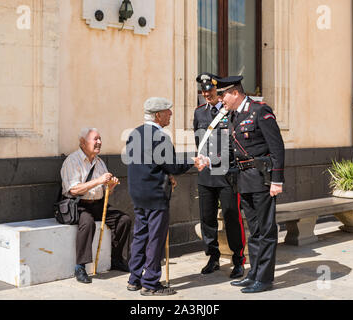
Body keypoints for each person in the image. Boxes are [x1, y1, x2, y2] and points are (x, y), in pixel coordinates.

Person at [125, 97, 207, 296]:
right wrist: (192, 161)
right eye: (168, 111)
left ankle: (134, 279)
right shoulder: (160, 136)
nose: (171, 114)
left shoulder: (134, 133)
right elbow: (172, 165)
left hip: (138, 193)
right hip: (155, 194)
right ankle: (151, 283)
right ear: (158, 115)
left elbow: (146, 163)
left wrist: (167, 174)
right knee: (155, 238)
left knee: (140, 236)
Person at [216, 76, 285, 293]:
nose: (221, 100)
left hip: (262, 179)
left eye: (223, 95)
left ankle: (264, 279)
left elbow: (277, 148)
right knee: (254, 230)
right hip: (244, 180)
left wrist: (276, 180)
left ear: (235, 93)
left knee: (266, 230)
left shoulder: (260, 111)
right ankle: (254, 273)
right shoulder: (235, 115)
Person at [61, 128, 132, 284]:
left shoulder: (99, 162)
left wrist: (110, 186)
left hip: (98, 204)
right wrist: (99, 180)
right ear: (82, 142)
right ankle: (80, 266)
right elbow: (73, 189)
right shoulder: (72, 161)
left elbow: (105, 190)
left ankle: (116, 258)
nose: (99, 142)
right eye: (95, 139)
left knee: (124, 219)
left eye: (100, 139)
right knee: (87, 223)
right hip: (78, 205)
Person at [194, 72, 246, 278]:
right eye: (204, 91)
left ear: (219, 91)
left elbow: (236, 143)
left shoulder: (230, 112)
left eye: (211, 91)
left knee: (232, 217)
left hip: (227, 174)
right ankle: (213, 257)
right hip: (206, 175)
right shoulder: (199, 113)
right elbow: (200, 142)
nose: (207, 95)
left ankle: (238, 259)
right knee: (207, 218)